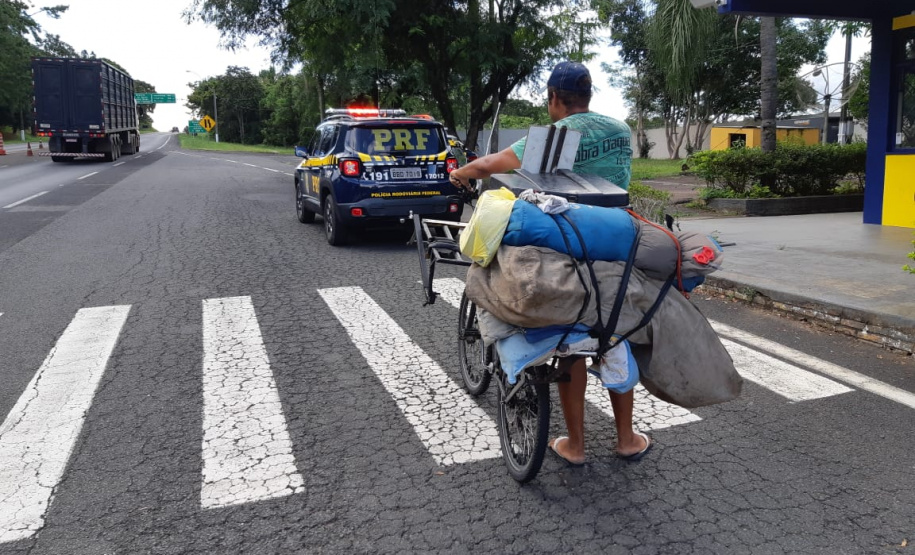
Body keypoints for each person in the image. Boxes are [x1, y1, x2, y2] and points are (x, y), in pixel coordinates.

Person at [448, 61, 650, 465]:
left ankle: (575, 446)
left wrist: (460, 171)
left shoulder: (553, 136)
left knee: (569, 340)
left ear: (554, 98)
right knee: (613, 333)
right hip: (616, 241)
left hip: (566, 244)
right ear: (589, 95)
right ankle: (626, 439)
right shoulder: (621, 129)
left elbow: (491, 166)